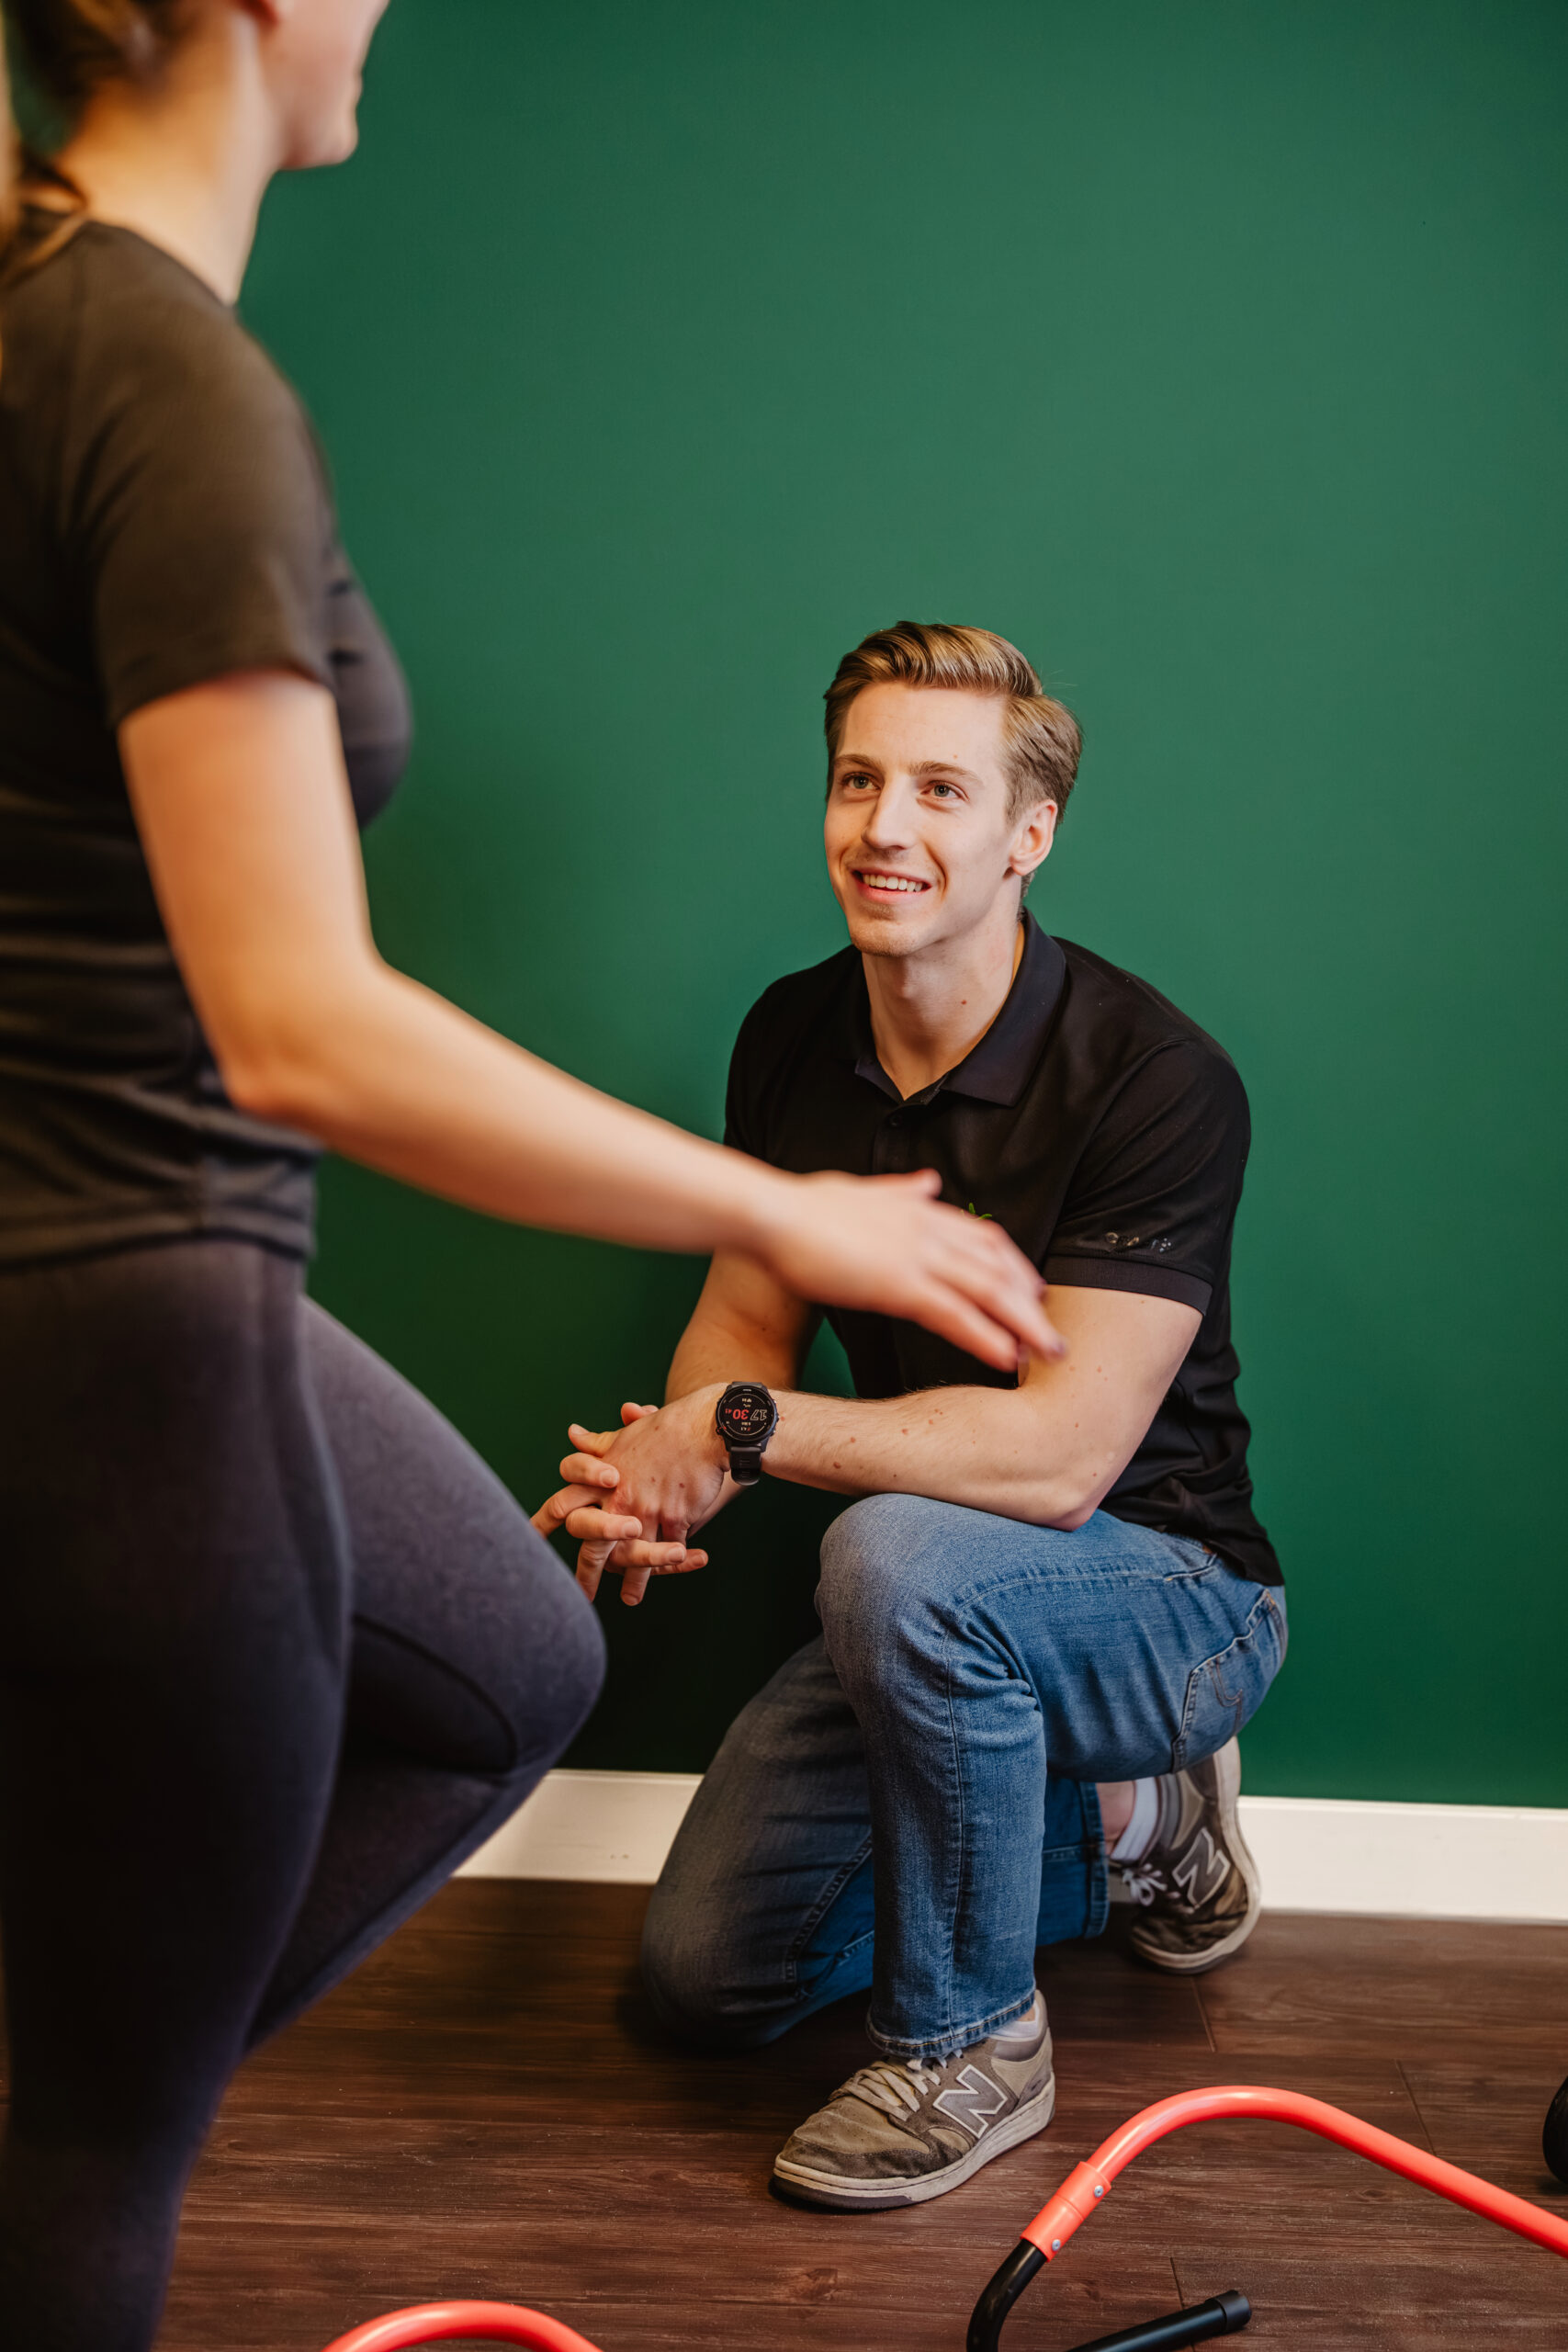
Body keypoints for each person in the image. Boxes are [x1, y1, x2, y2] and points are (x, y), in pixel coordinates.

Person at [0, 13, 1062, 2346]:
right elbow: (302, 1019)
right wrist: (790, 1211)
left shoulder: (51, 313)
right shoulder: (156, 378)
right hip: (121, 1293)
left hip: (148, 1275)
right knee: (85, 2146)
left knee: (501, 1657)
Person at [543, 622, 1288, 2212]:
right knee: (705, 1981)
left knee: (889, 1550)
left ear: (1030, 835)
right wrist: (657, 1478)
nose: (886, 827)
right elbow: (743, 1327)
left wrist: (738, 1431)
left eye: (942, 790)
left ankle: (974, 2043)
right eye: (858, 780)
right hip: (936, 1602)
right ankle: (1133, 1831)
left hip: (1170, 1595)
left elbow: (1062, 1453)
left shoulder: (1157, 1078)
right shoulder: (791, 1035)